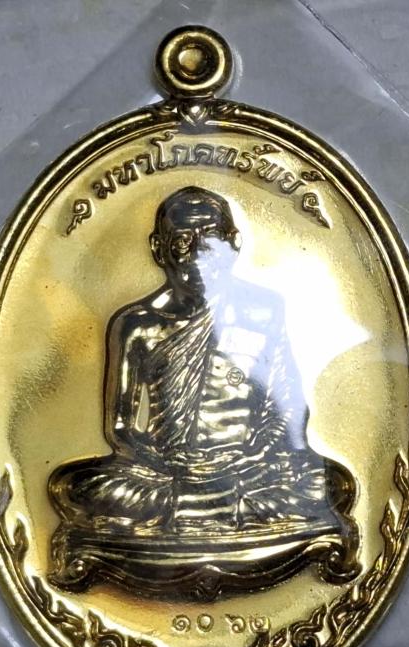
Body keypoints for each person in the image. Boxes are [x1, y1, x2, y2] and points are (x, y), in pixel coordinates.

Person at [49, 186, 354, 540]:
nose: (198, 253)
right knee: (72, 487)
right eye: (182, 240)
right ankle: (224, 507)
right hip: (168, 471)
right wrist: (167, 463)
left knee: (330, 483)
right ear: (158, 248)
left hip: (248, 469)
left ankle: (194, 506)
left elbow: (288, 406)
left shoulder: (263, 311)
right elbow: (121, 428)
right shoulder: (137, 324)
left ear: (233, 242)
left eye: (209, 237)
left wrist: (253, 454)